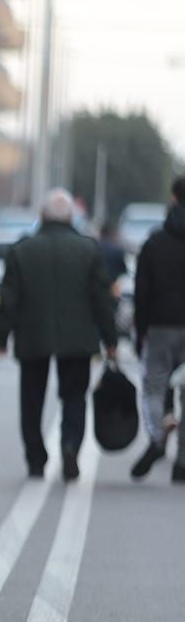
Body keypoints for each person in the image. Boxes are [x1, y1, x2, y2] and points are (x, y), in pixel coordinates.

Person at [0, 189, 119, 481]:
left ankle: (36, 459)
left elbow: (9, 298)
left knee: (31, 400)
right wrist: (110, 339)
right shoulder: (88, 249)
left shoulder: (22, 250)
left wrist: (1, 337)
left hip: (32, 336)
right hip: (78, 338)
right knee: (74, 397)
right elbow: (101, 299)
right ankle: (70, 444)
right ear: (71, 217)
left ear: (41, 215)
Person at [129, 176, 185, 483]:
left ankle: (158, 434)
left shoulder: (154, 242)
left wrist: (141, 330)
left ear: (173, 198)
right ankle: (183, 462)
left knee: (154, 386)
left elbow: (142, 291)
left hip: (161, 325)